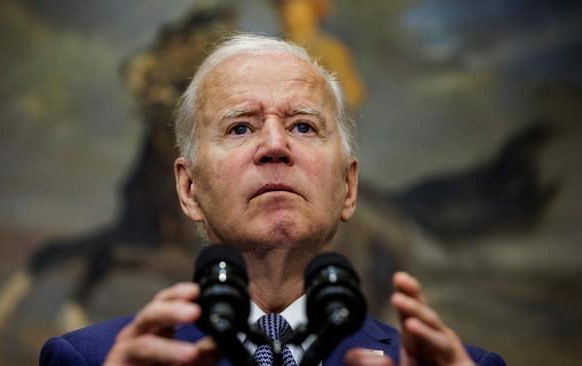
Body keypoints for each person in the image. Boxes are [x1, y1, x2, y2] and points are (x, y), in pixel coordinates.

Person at [40, 34, 505, 366]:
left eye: (303, 126)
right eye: (240, 127)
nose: (275, 146)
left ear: (349, 187)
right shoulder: (89, 359)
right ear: (188, 189)